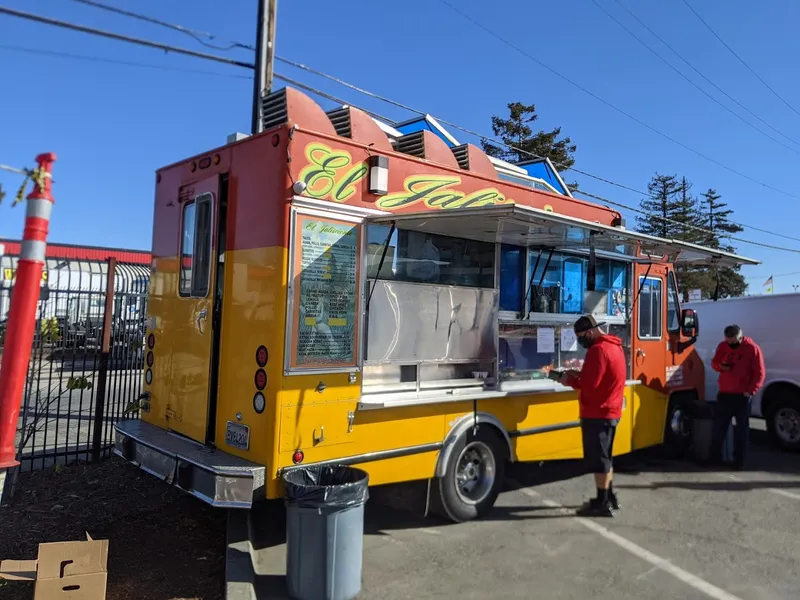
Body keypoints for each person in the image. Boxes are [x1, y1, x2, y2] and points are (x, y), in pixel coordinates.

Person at [556, 315, 627, 517]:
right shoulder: (614, 346)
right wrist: (578, 373)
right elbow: (601, 376)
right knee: (606, 458)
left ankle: (602, 503)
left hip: (598, 412)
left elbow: (590, 386)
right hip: (611, 410)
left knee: (600, 461)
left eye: (581, 337)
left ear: (590, 332)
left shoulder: (598, 350)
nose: (580, 341)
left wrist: (567, 380)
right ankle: (609, 496)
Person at [709, 325, 765, 470]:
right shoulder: (722, 346)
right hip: (725, 393)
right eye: (728, 342)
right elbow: (714, 363)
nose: (730, 345)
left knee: (741, 431)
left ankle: (738, 461)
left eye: (733, 342)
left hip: (742, 395)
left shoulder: (752, 349)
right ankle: (714, 458)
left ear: (740, 338)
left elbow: (759, 373)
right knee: (718, 428)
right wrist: (721, 367)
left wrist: (751, 391)